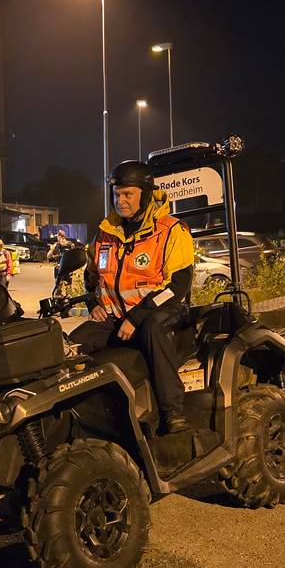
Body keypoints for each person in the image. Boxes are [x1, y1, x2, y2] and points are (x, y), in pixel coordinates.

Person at [68, 160, 196, 435]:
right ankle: (72, 415)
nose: (120, 201)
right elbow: (91, 277)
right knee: (71, 346)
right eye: (117, 194)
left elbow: (179, 286)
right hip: (115, 318)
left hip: (163, 312)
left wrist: (138, 316)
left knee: (153, 328)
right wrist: (94, 304)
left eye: (128, 194)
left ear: (146, 194)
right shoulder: (106, 232)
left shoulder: (172, 230)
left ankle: (173, 414)